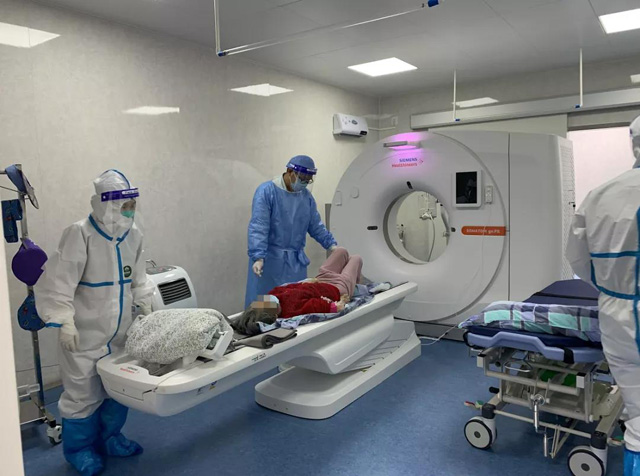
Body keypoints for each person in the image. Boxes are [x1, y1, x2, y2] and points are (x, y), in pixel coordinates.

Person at [35, 170, 153, 476]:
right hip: (84, 337)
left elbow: (139, 277)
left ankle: (111, 438)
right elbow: (59, 283)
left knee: (118, 389)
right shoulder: (80, 234)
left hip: (121, 335)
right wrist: (64, 321)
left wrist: (145, 302)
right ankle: (80, 450)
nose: (129, 211)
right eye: (123, 205)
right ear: (104, 203)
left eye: (132, 204)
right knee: (82, 394)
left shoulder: (134, 234)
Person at [566, 115, 640, 476]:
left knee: (636, 404)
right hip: (619, 304)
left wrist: (610, 286)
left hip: (616, 311)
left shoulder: (600, 195)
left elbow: (578, 259)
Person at [245, 154, 338, 308]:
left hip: (295, 263)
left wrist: (332, 245)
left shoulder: (306, 197)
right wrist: (258, 257)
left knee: (294, 305)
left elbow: (315, 225)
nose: (304, 183)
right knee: (266, 308)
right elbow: (259, 226)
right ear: (289, 171)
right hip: (270, 263)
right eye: (302, 178)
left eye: (308, 180)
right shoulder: (267, 192)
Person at [235, 247, 362, 335]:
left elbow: (287, 287)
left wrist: (305, 282)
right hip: (337, 288)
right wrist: (335, 306)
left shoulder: (272, 296)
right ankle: (354, 286)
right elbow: (313, 305)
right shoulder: (290, 310)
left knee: (341, 251)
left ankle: (352, 282)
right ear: (275, 315)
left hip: (321, 278)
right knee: (356, 259)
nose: (268, 300)